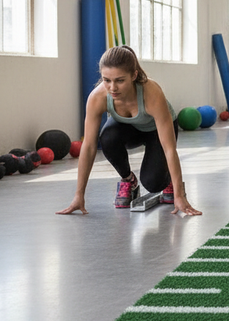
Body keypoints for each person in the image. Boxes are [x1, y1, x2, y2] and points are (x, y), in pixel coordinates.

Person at [57, 45, 201, 216]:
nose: (112, 88)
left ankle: (168, 179)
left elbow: (169, 149)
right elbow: (88, 146)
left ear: (134, 75)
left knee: (153, 184)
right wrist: (78, 195)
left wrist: (179, 195)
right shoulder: (97, 98)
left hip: (156, 131)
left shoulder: (152, 92)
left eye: (120, 80)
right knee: (108, 137)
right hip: (130, 130)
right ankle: (128, 180)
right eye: (106, 80)